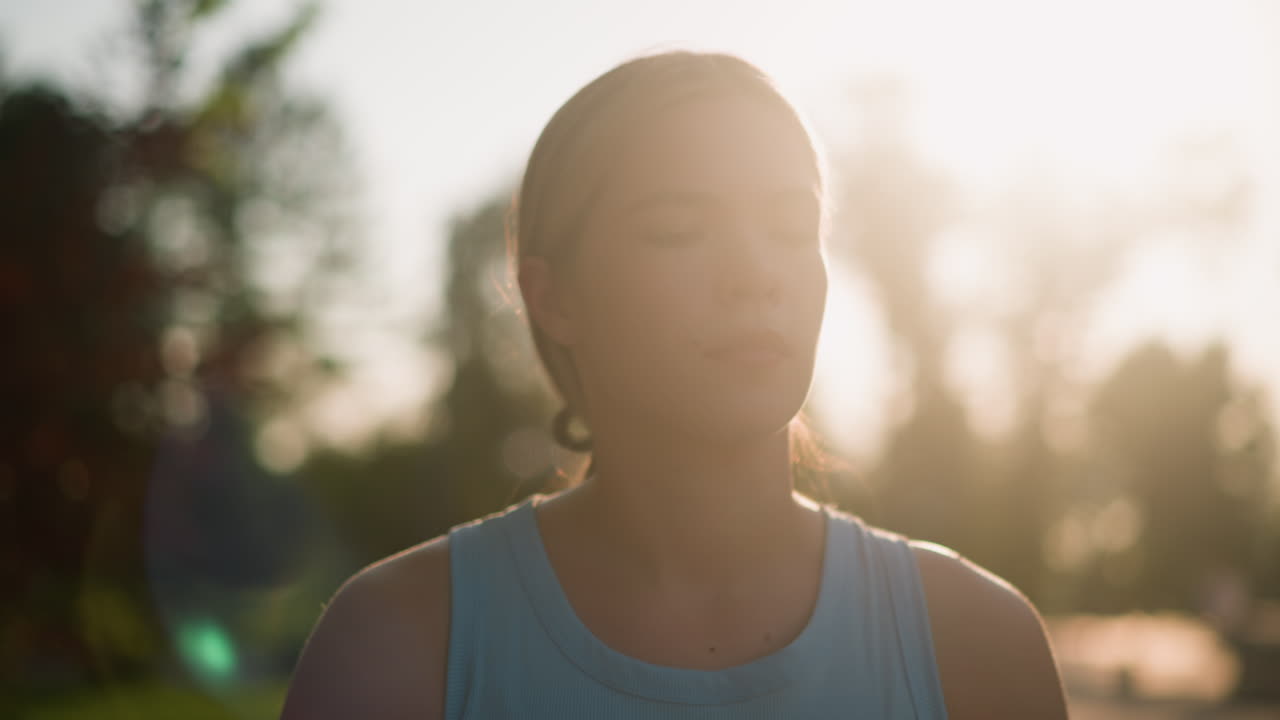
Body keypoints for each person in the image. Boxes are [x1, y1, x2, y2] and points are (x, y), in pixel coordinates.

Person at [281, 50, 1068, 719]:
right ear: (553, 298)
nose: (755, 275)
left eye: (792, 227)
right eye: (677, 231)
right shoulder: (396, 648)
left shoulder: (976, 645)